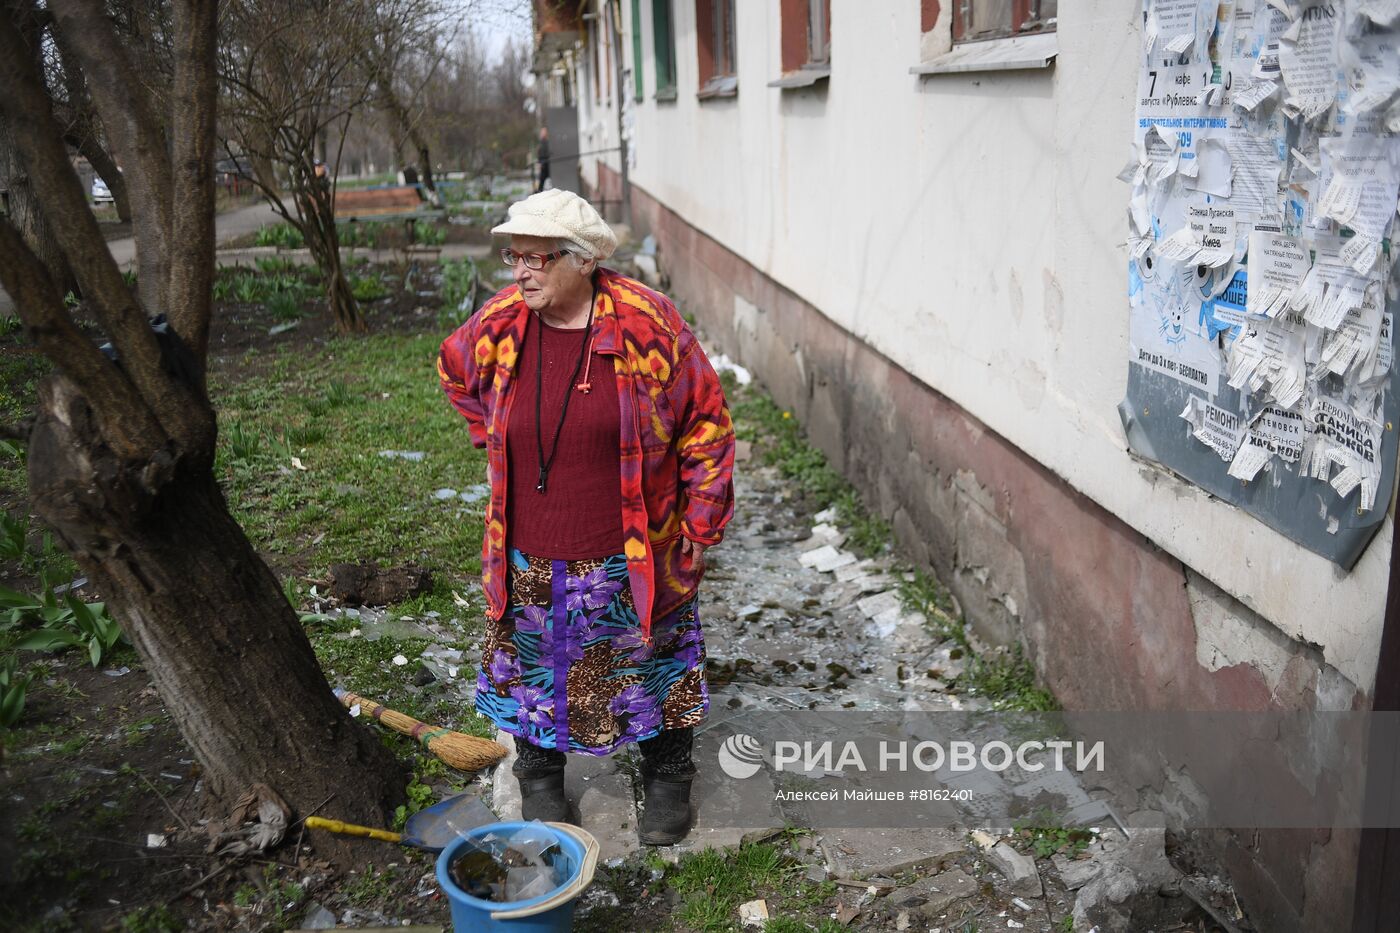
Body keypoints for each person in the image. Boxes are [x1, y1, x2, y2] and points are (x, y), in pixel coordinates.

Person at [438, 189, 735, 845]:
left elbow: (707, 426)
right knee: (535, 667)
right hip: (531, 548)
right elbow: (455, 369)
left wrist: (701, 524)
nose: (521, 272)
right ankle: (542, 777)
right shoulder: (501, 323)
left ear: (580, 260)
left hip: (635, 549)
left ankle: (669, 775)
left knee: (659, 664)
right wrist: (492, 435)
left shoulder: (646, 326)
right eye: (515, 257)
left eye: (537, 259)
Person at [534, 126, 551, 193]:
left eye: (544, 132)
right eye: (542, 132)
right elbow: (539, 153)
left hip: (548, 163)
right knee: (541, 180)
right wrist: (539, 162)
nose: (542, 133)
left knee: (545, 179)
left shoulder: (548, 141)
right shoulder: (541, 142)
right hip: (543, 164)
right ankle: (539, 191)